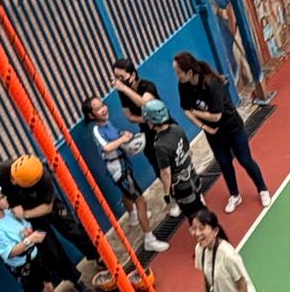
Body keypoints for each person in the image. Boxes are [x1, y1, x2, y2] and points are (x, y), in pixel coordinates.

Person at [173, 51, 271, 212]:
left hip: (232, 128)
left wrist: (196, 112)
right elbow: (185, 110)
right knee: (224, 163)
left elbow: (216, 116)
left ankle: (262, 189)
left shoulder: (211, 84)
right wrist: (204, 127)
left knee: (245, 160)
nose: (177, 76)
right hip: (213, 132)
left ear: (189, 72)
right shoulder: (183, 85)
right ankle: (235, 195)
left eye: (178, 72)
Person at [0, 154, 98, 292]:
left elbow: (47, 207)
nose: (13, 182)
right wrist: (13, 208)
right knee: (51, 249)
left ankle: (97, 256)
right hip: (31, 220)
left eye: (17, 182)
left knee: (73, 231)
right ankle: (76, 280)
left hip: (46, 208)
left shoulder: (43, 177)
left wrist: (25, 214)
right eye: (12, 178)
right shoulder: (1, 172)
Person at [83, 95, 167, 253]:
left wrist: (123, 134)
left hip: (124, 164)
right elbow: (106, 147)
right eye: (98, 108)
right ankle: (150, 239)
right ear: (91, 115)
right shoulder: (96, 130)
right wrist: (122, 140)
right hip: (118, 169)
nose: (103, 109)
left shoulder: (107, 123)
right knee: (141, 201)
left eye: (102, 105)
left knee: (126, 192)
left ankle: (133, 216)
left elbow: (116, 136)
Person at [111, 57, 169, 210]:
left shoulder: (147, 86)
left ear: (132, 74)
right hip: (147, 131)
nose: (119, 81)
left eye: (122, 77)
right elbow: (129, 116)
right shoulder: (123, 94)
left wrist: (124, 89)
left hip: (164, 126)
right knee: (157, 165)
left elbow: (145, 103)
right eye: (116, 77)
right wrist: (146, 119)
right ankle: (172, 196)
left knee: (174, 160)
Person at [143, 98, 205, 219]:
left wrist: (167, 194)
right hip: (193, 176)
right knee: (201, 207)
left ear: (152, 121)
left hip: (182, 187)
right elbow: (188, 150)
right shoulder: (176, 128)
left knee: (195, 217)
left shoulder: (160, 146)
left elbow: (165, 173)